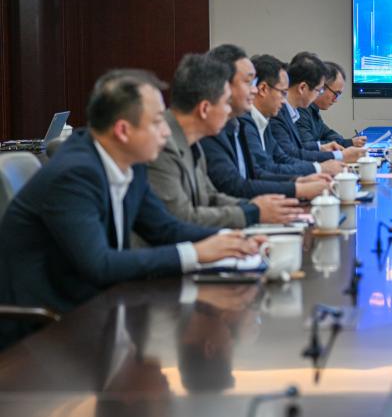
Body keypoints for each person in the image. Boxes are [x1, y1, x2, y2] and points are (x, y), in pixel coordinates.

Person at [0, 69, 262, 313]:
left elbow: (165, 229)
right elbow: (100, 265)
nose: (166, 132)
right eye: (157, 121)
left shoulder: (131, 164)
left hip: (97, 306)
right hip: (47, 323)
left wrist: (234, 240)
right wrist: (195, 253)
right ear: (123, 130)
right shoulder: (74, 175)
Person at [147, 53, 302, 229]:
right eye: (226, 103)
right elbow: (181, 218)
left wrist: (257, 207)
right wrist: (253, 212)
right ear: (205, 109)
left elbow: (210, 196)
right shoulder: (163, 145)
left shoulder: (193, 141)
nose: (229, 112)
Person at [200, 44, 330, 200]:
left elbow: (259, 171)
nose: (254, 90)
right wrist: (298, 187)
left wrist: (297, 181)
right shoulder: (221, 127)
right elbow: (234, 186)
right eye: (248, 82)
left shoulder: (240, 123)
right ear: (223, 85)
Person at [246, 54, 344, 178]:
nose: (284, 100)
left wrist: (306, 179)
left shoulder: (266, 118)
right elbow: (280, 160)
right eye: (282, 92)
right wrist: (320, 168)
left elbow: (281, 157)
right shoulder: (251, 122)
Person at [269, 51, 364, 164]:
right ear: (302, 88)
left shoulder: (293, 112)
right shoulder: (279, 113)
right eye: (319, 90)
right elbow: (290, 156)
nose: (318, 94)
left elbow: (296, 149)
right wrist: (338, 156)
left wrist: (320, 147)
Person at [298, 60, 367, 149]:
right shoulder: (301, 109)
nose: (335, 100)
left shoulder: (313, 110)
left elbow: (328, 134)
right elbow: (310, 147)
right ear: (321, 87)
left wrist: (346, 142)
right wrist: (344, 143)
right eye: (336, 94)